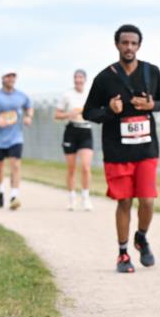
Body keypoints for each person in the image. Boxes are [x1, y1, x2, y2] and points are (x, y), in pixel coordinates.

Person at [82, 25, 160, 273]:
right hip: (117, 150)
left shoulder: (152, 72)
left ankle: (141, 236)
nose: (129, 47)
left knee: (148, 200)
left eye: (133, 43)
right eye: (124, 43)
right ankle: (122, 253)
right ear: (117, 45)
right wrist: (110, 110)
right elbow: (89, 112)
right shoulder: (104, 78)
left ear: (139, 45)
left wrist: (152, 104)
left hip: (147, 148)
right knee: (124, 201)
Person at [0, 70, 33, 210]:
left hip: (15, 137)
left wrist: (28, 117)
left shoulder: (21, 96)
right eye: (8, 76)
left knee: (15, 165)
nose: (11, 78)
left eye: (13, 76)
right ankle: (1, 191)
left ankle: (14, 195)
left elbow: (29, 107)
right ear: (2, 78)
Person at [54, 69, 94, 211]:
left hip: (85, 130)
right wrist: (68, 114)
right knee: (71, 168)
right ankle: (71, 198)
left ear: (85, 79)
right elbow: (56, 115)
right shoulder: (67, 95)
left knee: (85, 166)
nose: (78, 80)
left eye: (81, 78)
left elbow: (96, 111)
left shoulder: (90, 94)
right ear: (73, 79)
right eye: (76, 78)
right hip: (71, 131)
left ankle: (85, 198)